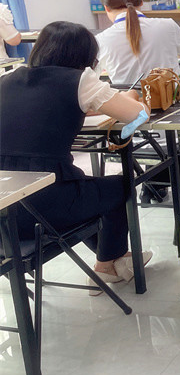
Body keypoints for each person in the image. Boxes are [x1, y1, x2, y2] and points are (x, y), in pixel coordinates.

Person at [0, 22, 152, 287]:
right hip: (42, 209)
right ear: (85, 57)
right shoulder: (79, 80)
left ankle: (114, 259)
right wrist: (132, 98)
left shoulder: (7, 78)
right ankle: (107, 264)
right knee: (121, 185)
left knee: (87, 187)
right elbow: (137, 115)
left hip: (5, 214)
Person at [96, 0, 180, 86]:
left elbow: (93, 75)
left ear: (106, 8)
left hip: (130, 96)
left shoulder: (100, 40)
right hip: (173, 95)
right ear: (141, 2)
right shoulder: (168, 25)